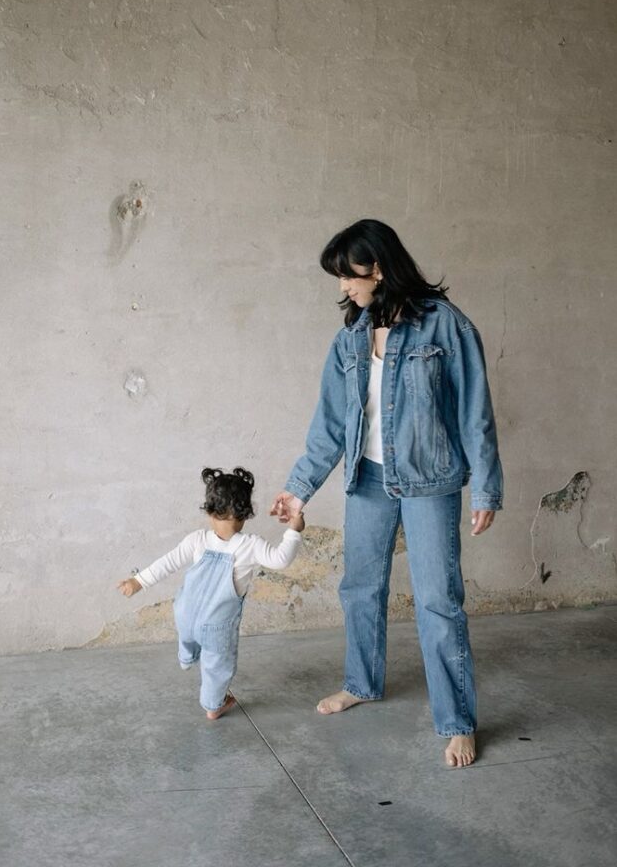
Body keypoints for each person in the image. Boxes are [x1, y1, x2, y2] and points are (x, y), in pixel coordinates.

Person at [270, 219, 503, 767]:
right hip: (368, 480)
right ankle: (361, 682)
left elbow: (476, 413)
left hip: (429, 480)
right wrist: (299, 490)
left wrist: (486, 489)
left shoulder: (445, 326)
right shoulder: (351, 335)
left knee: (437, 601)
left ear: (377, 268)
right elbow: (329, 424)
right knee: (359, 588)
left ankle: (457, 721)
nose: (342, 289)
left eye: (348, 277)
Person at [119, 467, 305, 720]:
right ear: (245, 514)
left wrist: (137, 581)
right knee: (217, 664)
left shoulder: (197, 539)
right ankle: (214, 705)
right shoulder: (250, 545)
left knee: (189, 634)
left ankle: (186, 657)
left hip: (185, 612)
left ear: (208, 511)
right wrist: (294, 530)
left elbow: (168, 562)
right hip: (217, 624)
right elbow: (281, 559)